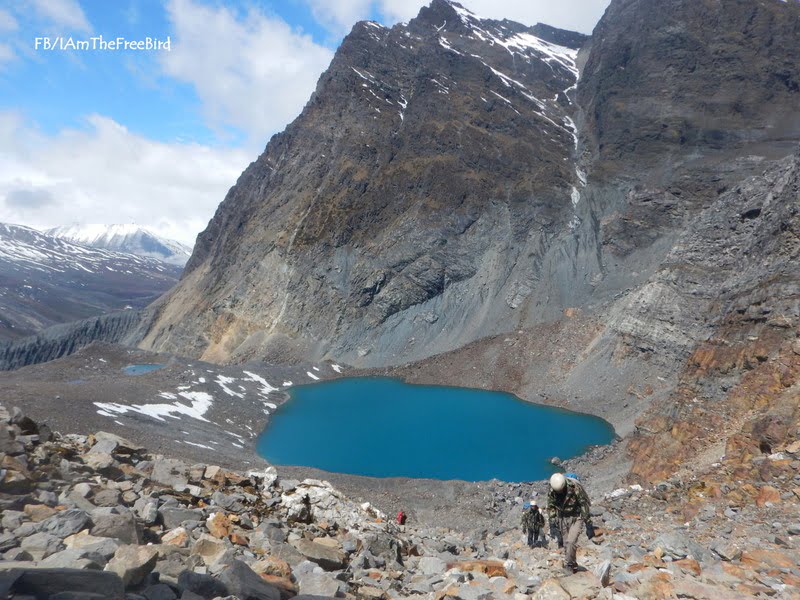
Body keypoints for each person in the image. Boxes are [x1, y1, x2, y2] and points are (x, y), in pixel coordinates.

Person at [547, 472, 595, 574]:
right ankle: (573, 564)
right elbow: (551, 506)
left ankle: (568, 565)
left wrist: (588, 523)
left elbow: (583, 504)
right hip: (562, 517)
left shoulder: (575, 487)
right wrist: (552, 524)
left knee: (571, 541)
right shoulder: (552, 490)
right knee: (566, 544)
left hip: (576, 516)